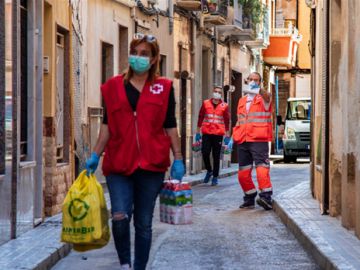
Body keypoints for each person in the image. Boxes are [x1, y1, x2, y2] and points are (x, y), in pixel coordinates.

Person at [85, 33, 185, 270]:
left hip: (152, 165)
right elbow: (107, 126)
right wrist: (95, 155)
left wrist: (178, 158)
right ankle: (124, 265)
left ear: (153, 60)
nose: (137, 58)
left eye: (144, 54)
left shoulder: (165, 87)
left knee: (143, 224)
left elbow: (170, 125)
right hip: (119, 163)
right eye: (134, 53)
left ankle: (138, 267)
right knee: (119, 217)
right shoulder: (112, 87)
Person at [228, 72, 273, 210]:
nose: (253, 82)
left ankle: (266, 197)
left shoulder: (264, 98)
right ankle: (250, 196)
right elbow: (239, 120)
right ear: (246, 81)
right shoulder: (241, 101)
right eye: (251, 80)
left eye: (256, 80)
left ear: (260, 82)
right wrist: (231, 138)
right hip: (242, 139)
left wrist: (258, 90)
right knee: (242, 174)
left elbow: (267, 96)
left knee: (261, 169)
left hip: (258, 139)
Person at [195, 86, 230, 186]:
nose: (217, 93)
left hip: (218, 134)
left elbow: (227, 121)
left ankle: (215, 176)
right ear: (212, 92)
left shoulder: (224, 106)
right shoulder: (206, 103)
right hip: (206, 133)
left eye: (219, 92)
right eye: (215, 91)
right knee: (205, 152)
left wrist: (227, 135)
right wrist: (198, 132)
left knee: (216, 156)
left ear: (221, 95)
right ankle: (209, 170)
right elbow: (200, 117)